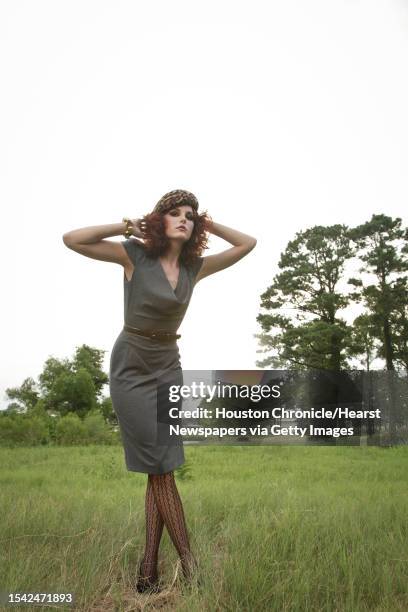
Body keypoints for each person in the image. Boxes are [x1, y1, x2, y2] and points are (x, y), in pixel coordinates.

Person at [62, 189, 257, 593]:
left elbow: (248, 244)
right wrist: (125, 226)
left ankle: (147, 572)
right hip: (132, 366)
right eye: (176, 214)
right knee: (162, 468)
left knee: (160, 467)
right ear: (159, 219)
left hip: (169, 366)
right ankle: (191, 568)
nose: (184, 219)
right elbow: (72, 239)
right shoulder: (134, 255)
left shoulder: (194, 269)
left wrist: (209, 222)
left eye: (191, 215)